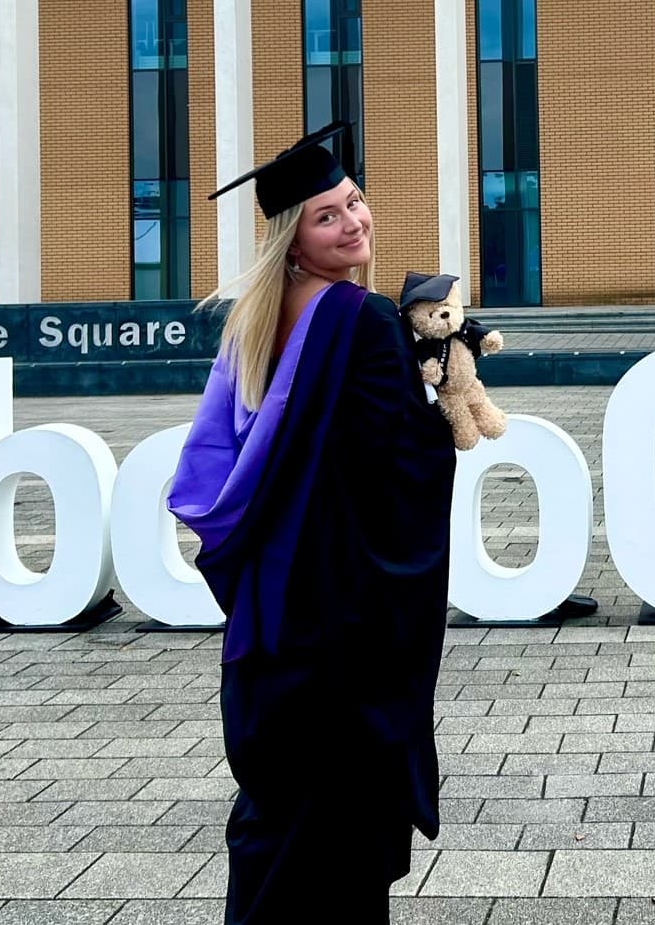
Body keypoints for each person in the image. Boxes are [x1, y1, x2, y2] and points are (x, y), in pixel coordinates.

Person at [167, 121, 457, 924]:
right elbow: (396, 470)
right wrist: (437, 404)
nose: (354, 221)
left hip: (273, 622)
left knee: (278, 825)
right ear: (293, 240)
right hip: (342, 624)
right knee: (339, 842)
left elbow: (226, 470)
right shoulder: (357, 320)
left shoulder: (252, 327)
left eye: (354, 200)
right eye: (328, 215)